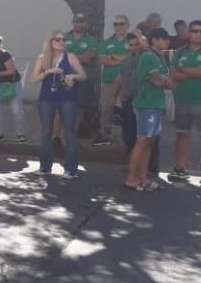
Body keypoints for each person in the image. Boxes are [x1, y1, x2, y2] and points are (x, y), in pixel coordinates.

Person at [30, 30, 87, 178]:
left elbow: (83, 75)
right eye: (58, 39)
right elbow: (33, 79)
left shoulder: (70, 56)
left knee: (69, 132)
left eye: (64, 40)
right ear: (50, 42)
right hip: (47, 98)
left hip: (67, 97)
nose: (62, 42)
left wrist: (72, 76)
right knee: (46, 132)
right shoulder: (43, 58)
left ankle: (70, 169)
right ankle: (45, 167)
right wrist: (48, 71)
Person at [125, 28, 173, 191]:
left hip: (157, 104)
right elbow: (159, 80)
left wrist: (162, 79)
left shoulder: (160, 58)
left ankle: (143, 177)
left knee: (150, 143)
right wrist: (161, 79)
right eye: (164, 39)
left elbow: (169, 82)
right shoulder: (148, 57)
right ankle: (131, 178)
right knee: (142, 141)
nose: (167, 41)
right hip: (146, 104)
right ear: (155, 40)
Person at [115, 33, 160, 174]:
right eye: (131, 45)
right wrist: (116, 99)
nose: (134, 47)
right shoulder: (127, 60)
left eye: (137, 44)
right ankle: (133, 166)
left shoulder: (148, 58)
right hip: (128, 101)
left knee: (148, 137)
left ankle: (150, 168)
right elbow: (122, 79)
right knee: (129, 135)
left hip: (145, 103)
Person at [169, 20, 201, 182]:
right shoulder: (180, 52)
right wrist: (193, 72)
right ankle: (180, 169)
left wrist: (184, 70)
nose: (197, 34)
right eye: (194, 31)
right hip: (182, 100)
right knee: (182, 135)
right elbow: (173, 74)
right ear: (189, 33)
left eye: (200, 31)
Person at [0, 34, 26, 144]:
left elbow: (11, 70)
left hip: (12, 84)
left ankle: (20, 134)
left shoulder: (4, 54)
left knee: (17, 110)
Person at [95, 15, 131, 146]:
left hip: (128, 82)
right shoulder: (106, 42)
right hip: (109, 80)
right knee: (106, 108)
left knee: (127, 109)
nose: (118, 27)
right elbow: (101, 60)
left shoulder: (132, 42)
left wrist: (113, 56)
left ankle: (127, 136)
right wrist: (123, 59)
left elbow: (132, 59)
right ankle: (105, 135)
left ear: (127, 25)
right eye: (116, 24)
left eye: (122, 24)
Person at [65, 13, 98, 139]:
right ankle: (65, 131)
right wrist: (78, 56)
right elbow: (59, 56)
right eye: (77, 22)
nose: (79, 24)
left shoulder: (91, 40)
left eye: (82, 22)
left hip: (85, 77)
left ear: (86, 24)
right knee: (65, 104)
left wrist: (69, 55)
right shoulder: (64, 37)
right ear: (73, 23)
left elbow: (87, 59)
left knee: (81, 106)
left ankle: (76, 130)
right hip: (66, 77)